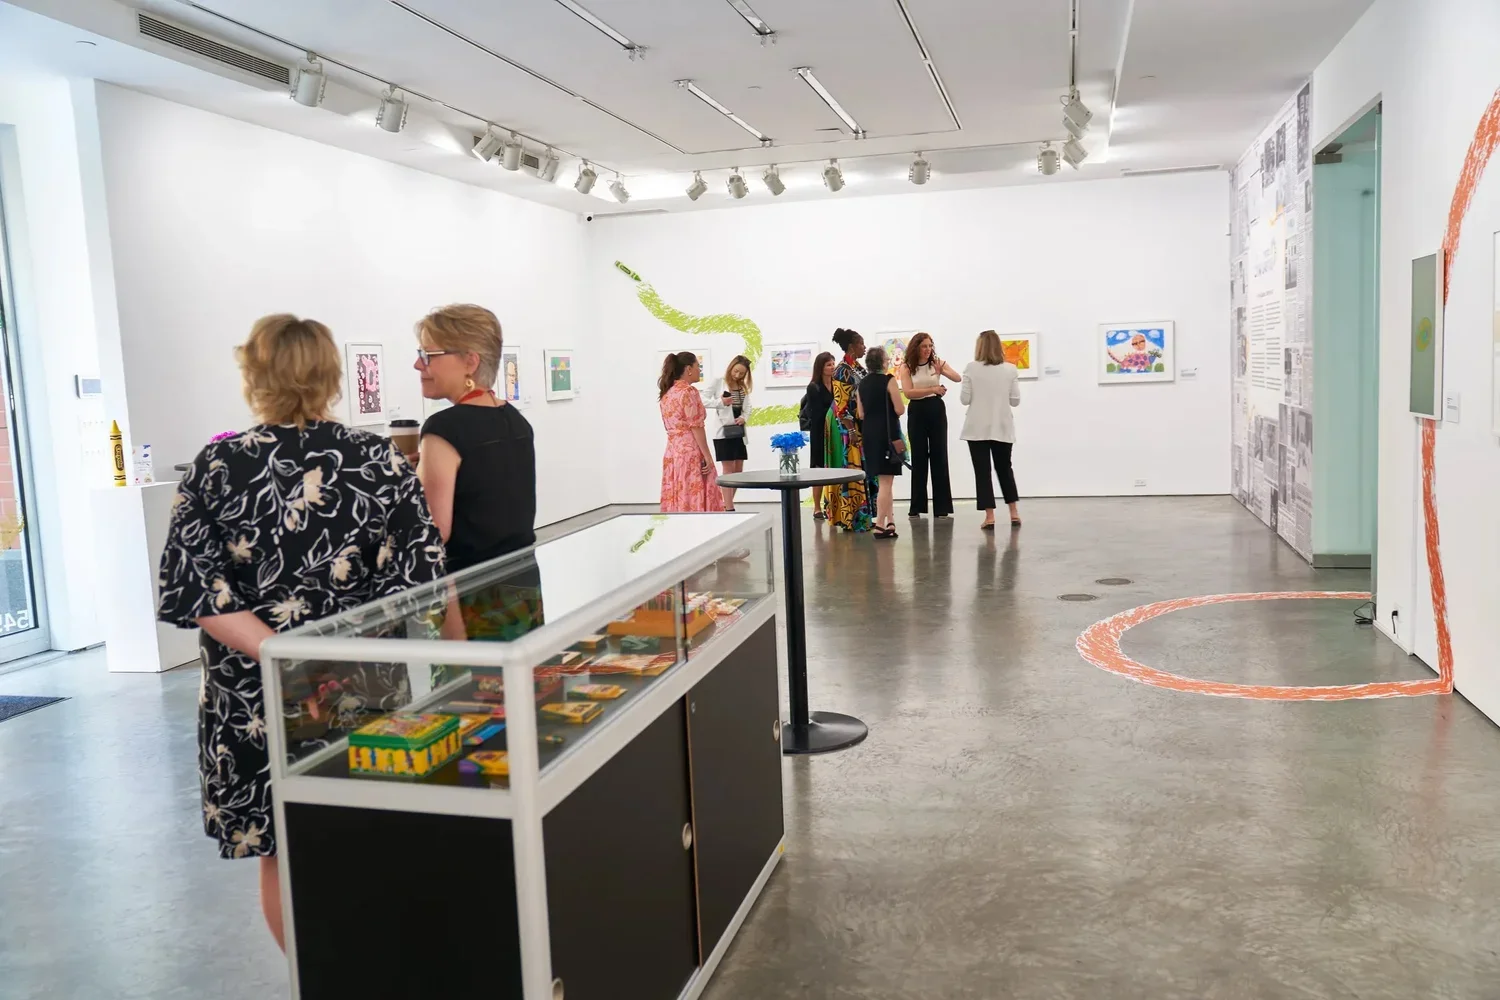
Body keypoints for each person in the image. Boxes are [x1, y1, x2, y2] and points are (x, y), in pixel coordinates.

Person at [157, 314, 445, 952]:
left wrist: (282, 652)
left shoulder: (217, 463)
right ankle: (372, 971)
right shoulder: (380, 459)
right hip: (363, 683)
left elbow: (195, 590)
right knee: (369, 832)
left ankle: (315, 980)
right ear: (331, 376)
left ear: (253, 374)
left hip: (253, 690)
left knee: (280, 849)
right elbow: (421, 576)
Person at [413, 304, 537, 573]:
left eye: (428, 355)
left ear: (470, 362)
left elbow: (433, 530)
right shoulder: (516, 421)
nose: (418, 364)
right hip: (519, 582)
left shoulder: (444, 428)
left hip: (468, 590)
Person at [960, 329, 1023, 530]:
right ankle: (1014, 512)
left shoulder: (971, 368)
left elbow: (965, 400)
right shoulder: (1011, 370)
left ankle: (990, 516)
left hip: (976, 428)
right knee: (1005, 469)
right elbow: (1015, 401)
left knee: (983, 472)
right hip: (1002, 426)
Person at [897, 332, 961, 519]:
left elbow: (957, 378)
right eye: (924, 346)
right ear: (916, 347)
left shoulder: (937, 362)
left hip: (935, 409)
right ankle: (916, 506)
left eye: (930, 346)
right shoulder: (907, 367)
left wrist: (943, 371)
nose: (928, 350)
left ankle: (942, 507)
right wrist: (933, 389)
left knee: (939, 455)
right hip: (917, 411)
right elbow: (909, 393)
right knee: (919, 458)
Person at [659, 351, 724, 512]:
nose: (699, 371)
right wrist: (708, 457)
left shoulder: (667, 393)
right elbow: (696, 427)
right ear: (688, 369)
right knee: (694, 492)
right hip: (690, 452)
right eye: (697, 367)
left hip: (672, 452)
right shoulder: (689, 392)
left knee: (678, 492)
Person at [824, 328, 873, 531]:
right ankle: (849, 518)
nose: (865, 347)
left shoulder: (857, 367)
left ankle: (861, 517)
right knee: (850, 469)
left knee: (860, 469)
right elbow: (841, 404)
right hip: (846, 426)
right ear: (852, 346)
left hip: (859, 424)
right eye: (862, 343)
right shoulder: (842, 370)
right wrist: (851, 430)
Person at [856, 346, 906, 539]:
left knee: (885, 481)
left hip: (869, 433)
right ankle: (879, 526)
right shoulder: (889, 380)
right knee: (886, 482)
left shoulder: (862, 384)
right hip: (888, 433)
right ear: (884, 362)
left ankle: (890, 522)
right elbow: (900, 409)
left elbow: (860, 413)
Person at [708, 354, 754, 511]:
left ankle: (725, 503)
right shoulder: (718, 382)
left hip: (738, 432)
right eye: (736, 371)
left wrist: (743, 417)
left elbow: (748, 407)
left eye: (741, 373)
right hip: (723, 433)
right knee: (728, 470)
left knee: (738, 470)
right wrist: (720, 402)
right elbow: (702, 399)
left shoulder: (742, 387)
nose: (737, 375)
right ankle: (729, 507)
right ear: (731, 367)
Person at [800, 351, 836, 518]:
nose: (832, 367)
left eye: (833, 363)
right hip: (819, 432)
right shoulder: (813, 386)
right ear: (821, 367)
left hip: (836, 431)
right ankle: (817, 506)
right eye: (829, 364)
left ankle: (834, 505)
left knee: (835, 467)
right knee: (818, 468)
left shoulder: (837, 384)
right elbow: (817, 412)